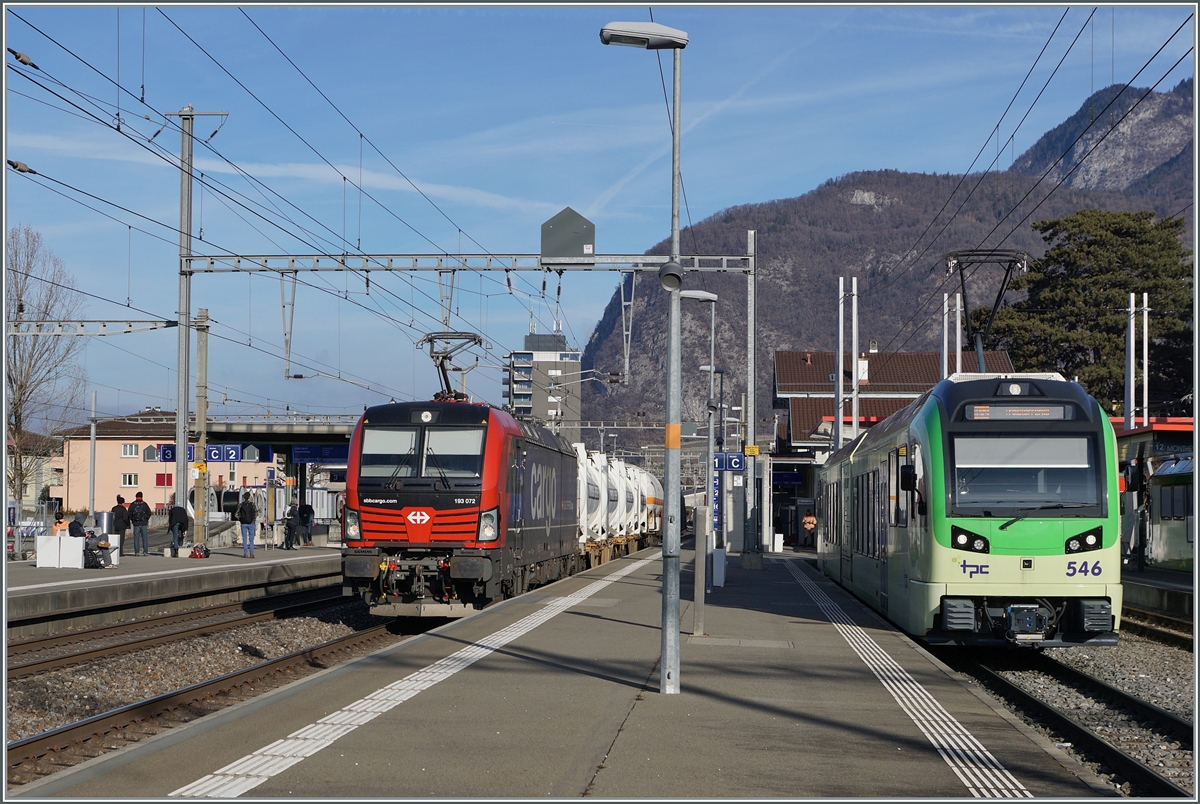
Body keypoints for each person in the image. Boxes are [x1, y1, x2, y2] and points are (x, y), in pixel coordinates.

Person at [128, 492, 152, 556]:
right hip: (144, 523)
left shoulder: (133, 504)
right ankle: (145, 552)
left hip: (136, 523)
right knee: (144, 538)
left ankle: (137, 552)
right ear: (142, 496)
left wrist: (133, 520)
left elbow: (129, 513)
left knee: (136, 538)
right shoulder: (144, 504)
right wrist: (146, 519)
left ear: (136, 496)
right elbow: (149, 513)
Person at [236, 492, 257, 558]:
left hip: (243, 523)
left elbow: (236, 514)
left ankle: (245, 554)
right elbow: (256, 513)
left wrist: (240, 519)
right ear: (249, 497)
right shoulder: (252, 505)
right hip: (251, 523)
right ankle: (252, 553)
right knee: (251, 539)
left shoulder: (241, 505)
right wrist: (253, 519)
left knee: (244, 539)